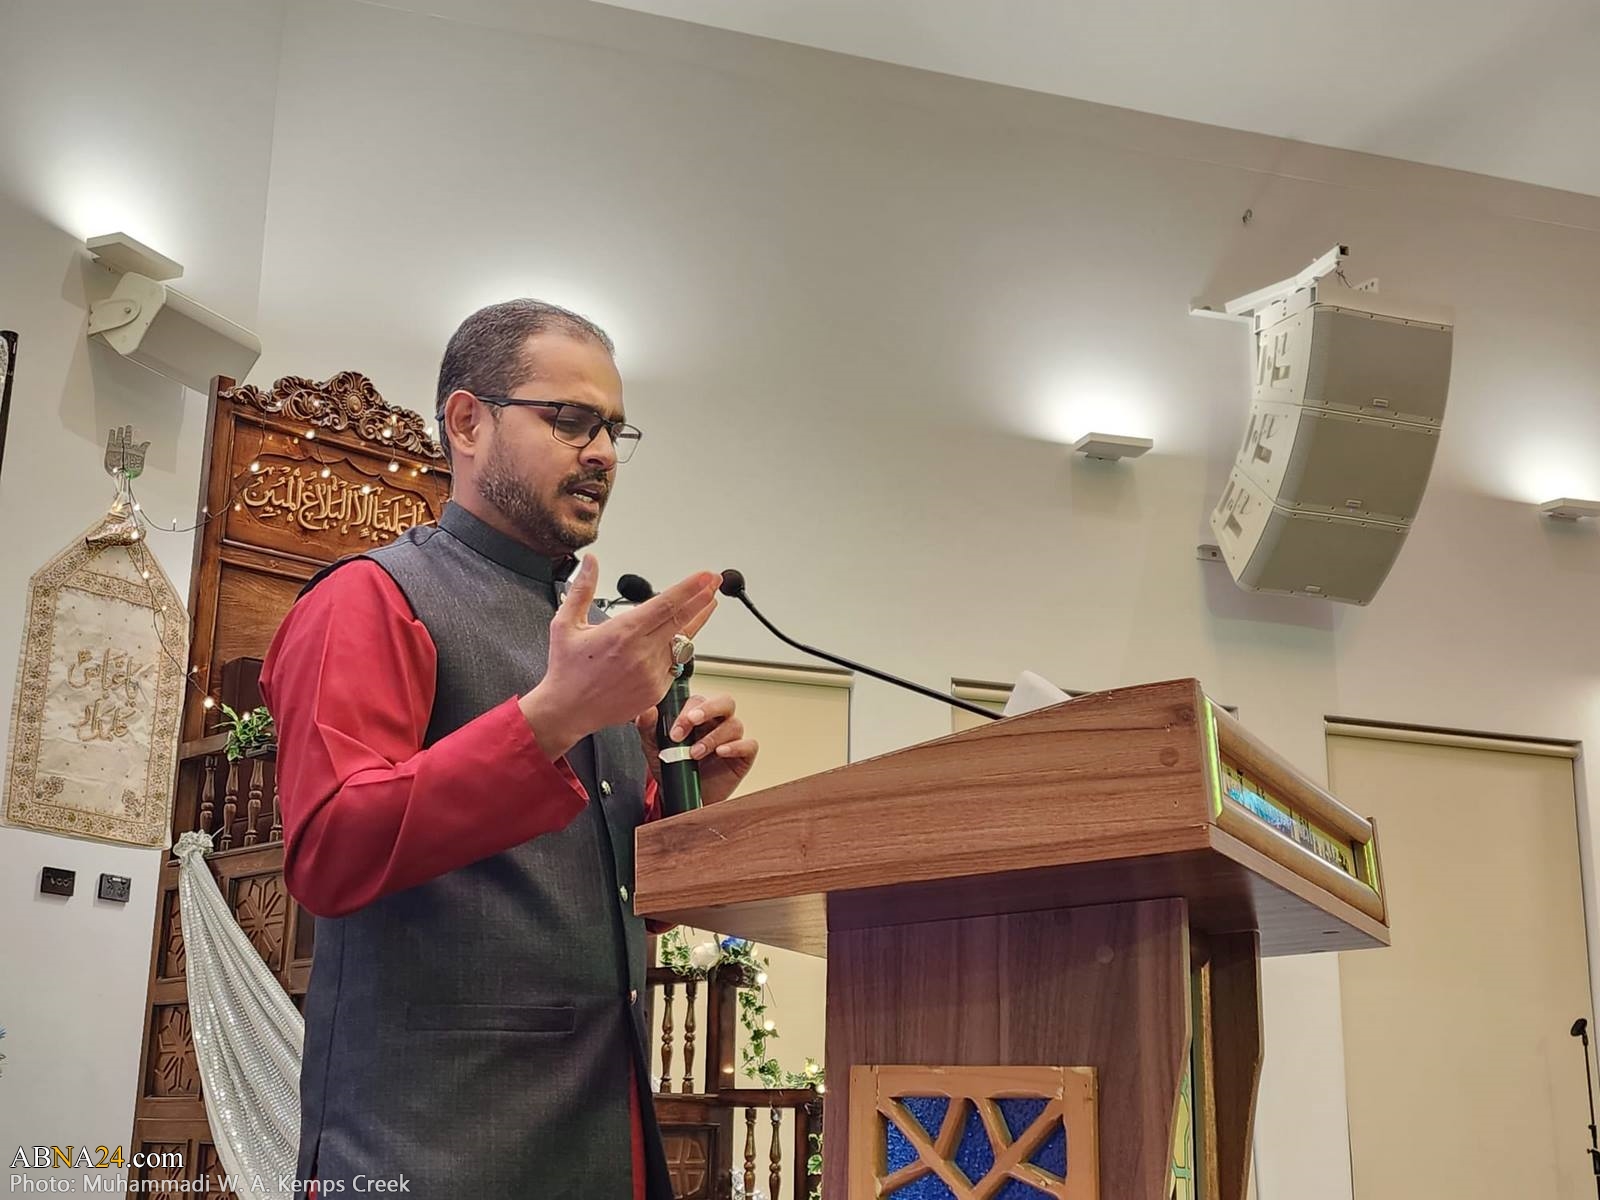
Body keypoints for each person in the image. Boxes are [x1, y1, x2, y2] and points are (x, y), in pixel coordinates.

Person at [259, 299, 759, 1200]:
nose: (602, 452)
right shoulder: (369, 598)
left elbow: (595, 902)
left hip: (603, 1135)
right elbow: (330, 852)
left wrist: (685, 803)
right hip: (431, 1142)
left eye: (613, 428)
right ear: (467, 422)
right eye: (570, 419)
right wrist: (551, 721)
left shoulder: (588, 631)